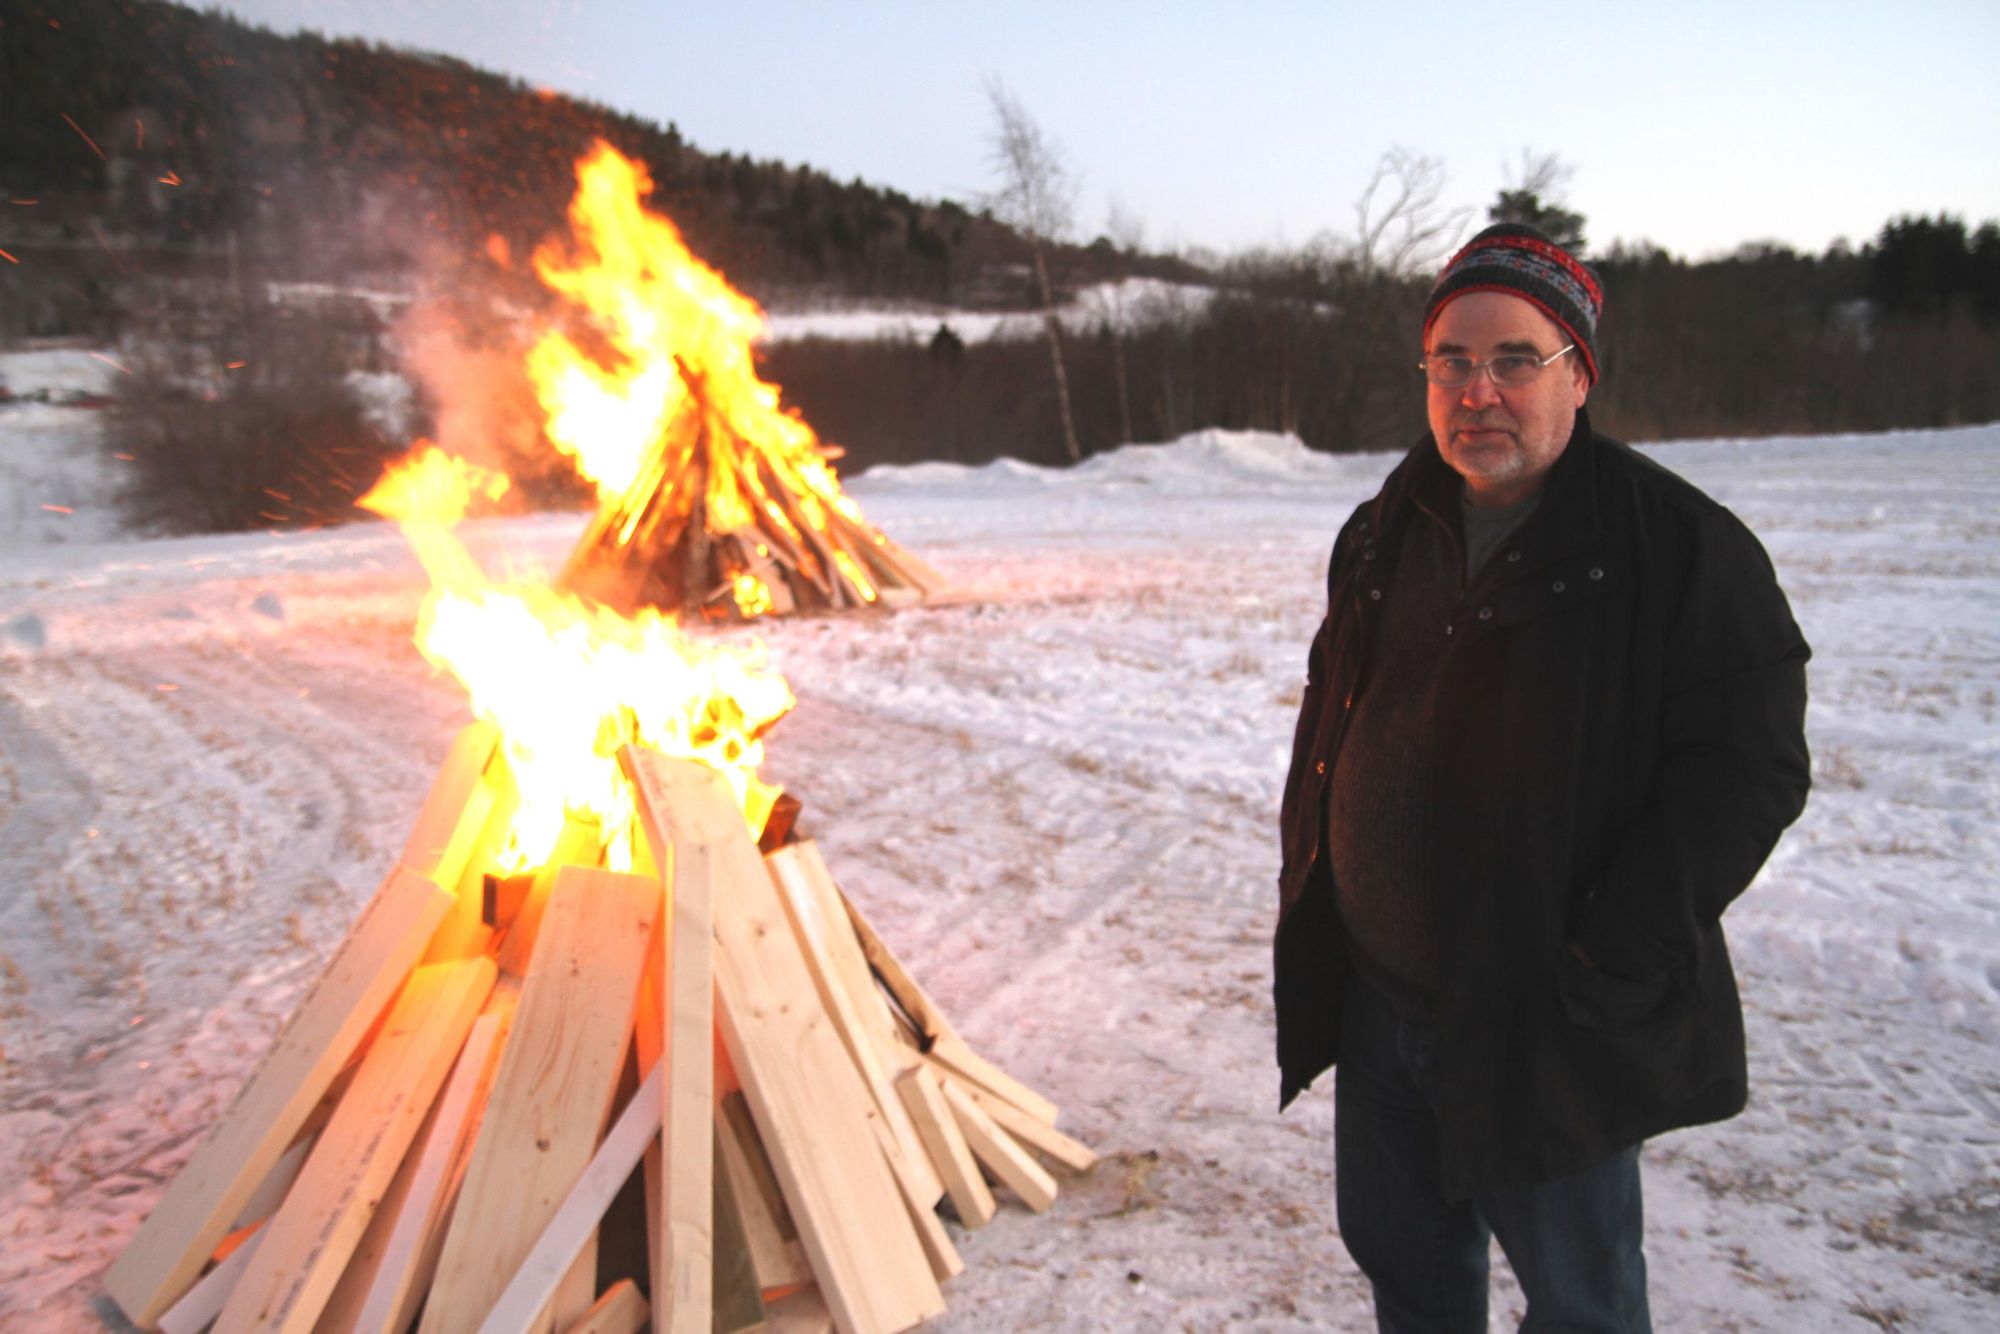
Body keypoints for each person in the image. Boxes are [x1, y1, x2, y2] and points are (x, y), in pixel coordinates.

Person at [1273, 222, 1812, 1332]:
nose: (1478, 389)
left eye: (1514, 358)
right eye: (1450, 361)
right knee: (1408, 1274)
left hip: (1543, 1010)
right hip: (1383, 996)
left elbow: (1746, 771)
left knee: (1579, 1300)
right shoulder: (1381, 528)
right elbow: (1337, 711)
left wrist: (1605, 951)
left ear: (1577, 375)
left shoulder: (1674, 545)